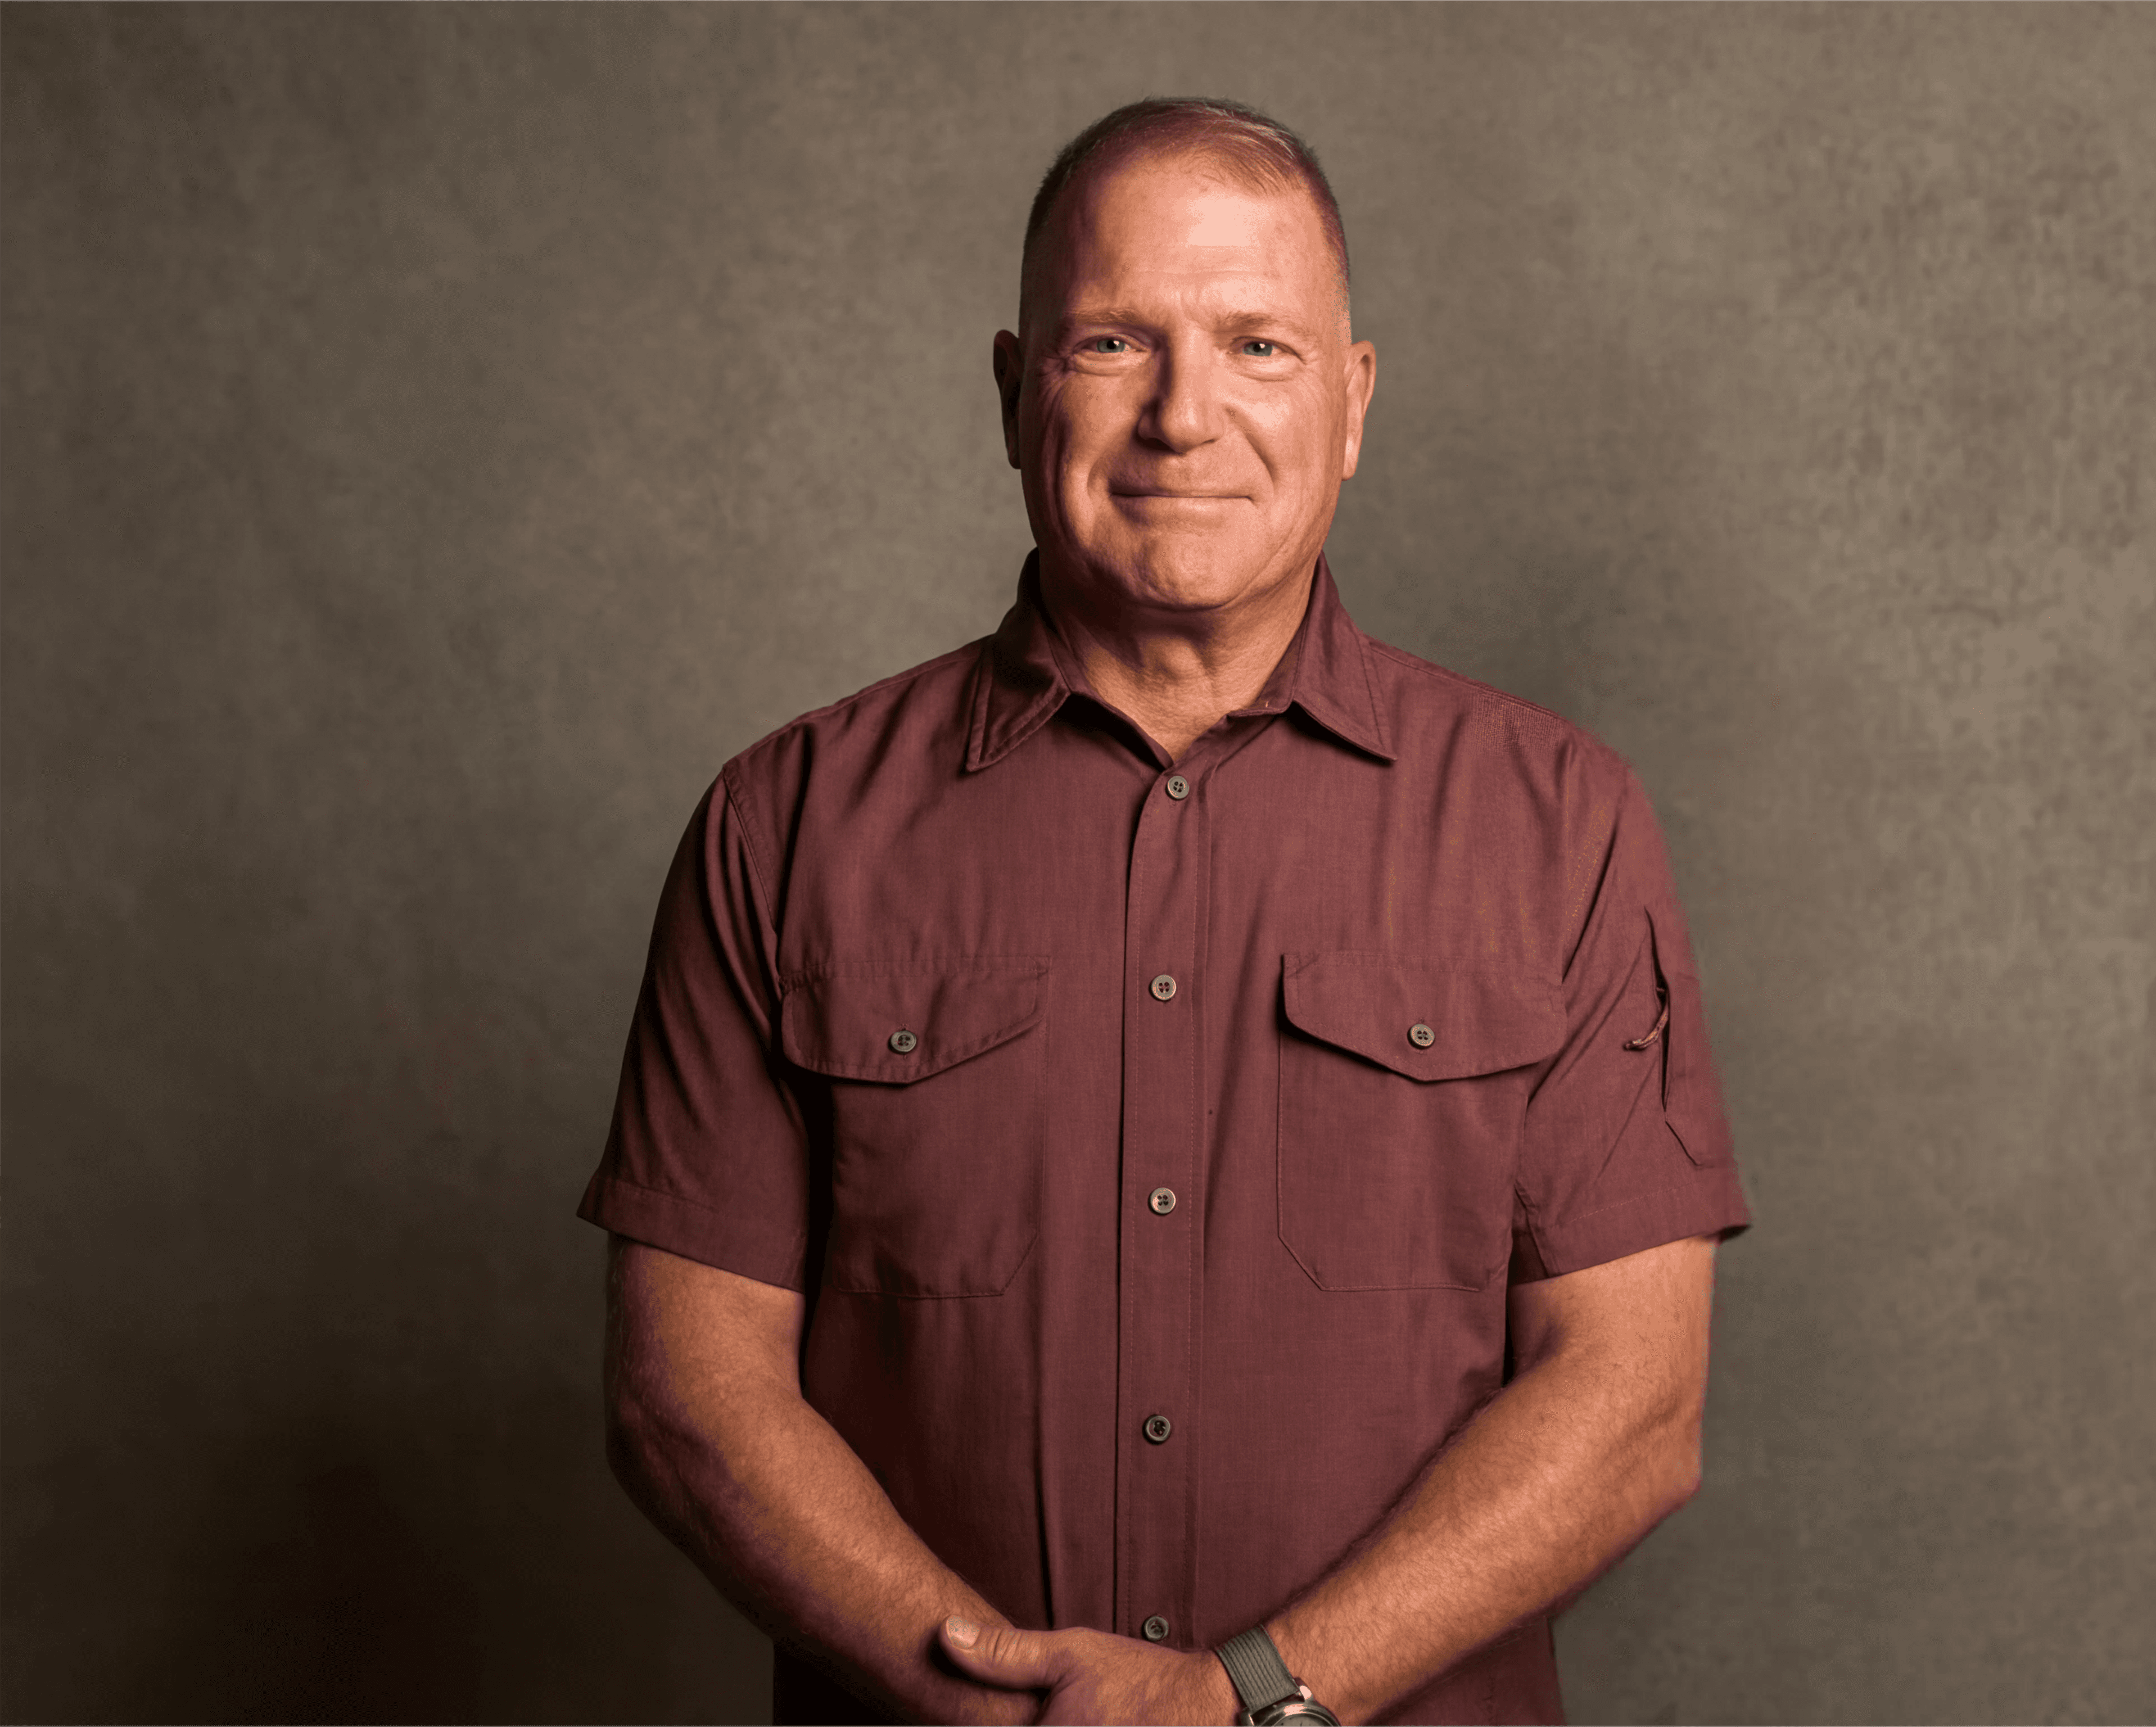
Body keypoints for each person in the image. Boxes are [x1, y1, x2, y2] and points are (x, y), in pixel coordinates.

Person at [580, 97, 1750, 1727]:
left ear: (1352, 406)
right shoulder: (784, 827)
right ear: (1012, 395)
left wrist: (1249, 1704)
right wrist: (1027, 1719)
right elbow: (685, 1401)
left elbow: (1631, 1404)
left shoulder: (1559, 827)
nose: (1184, 417)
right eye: (1114, 342)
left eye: (1260, 346)